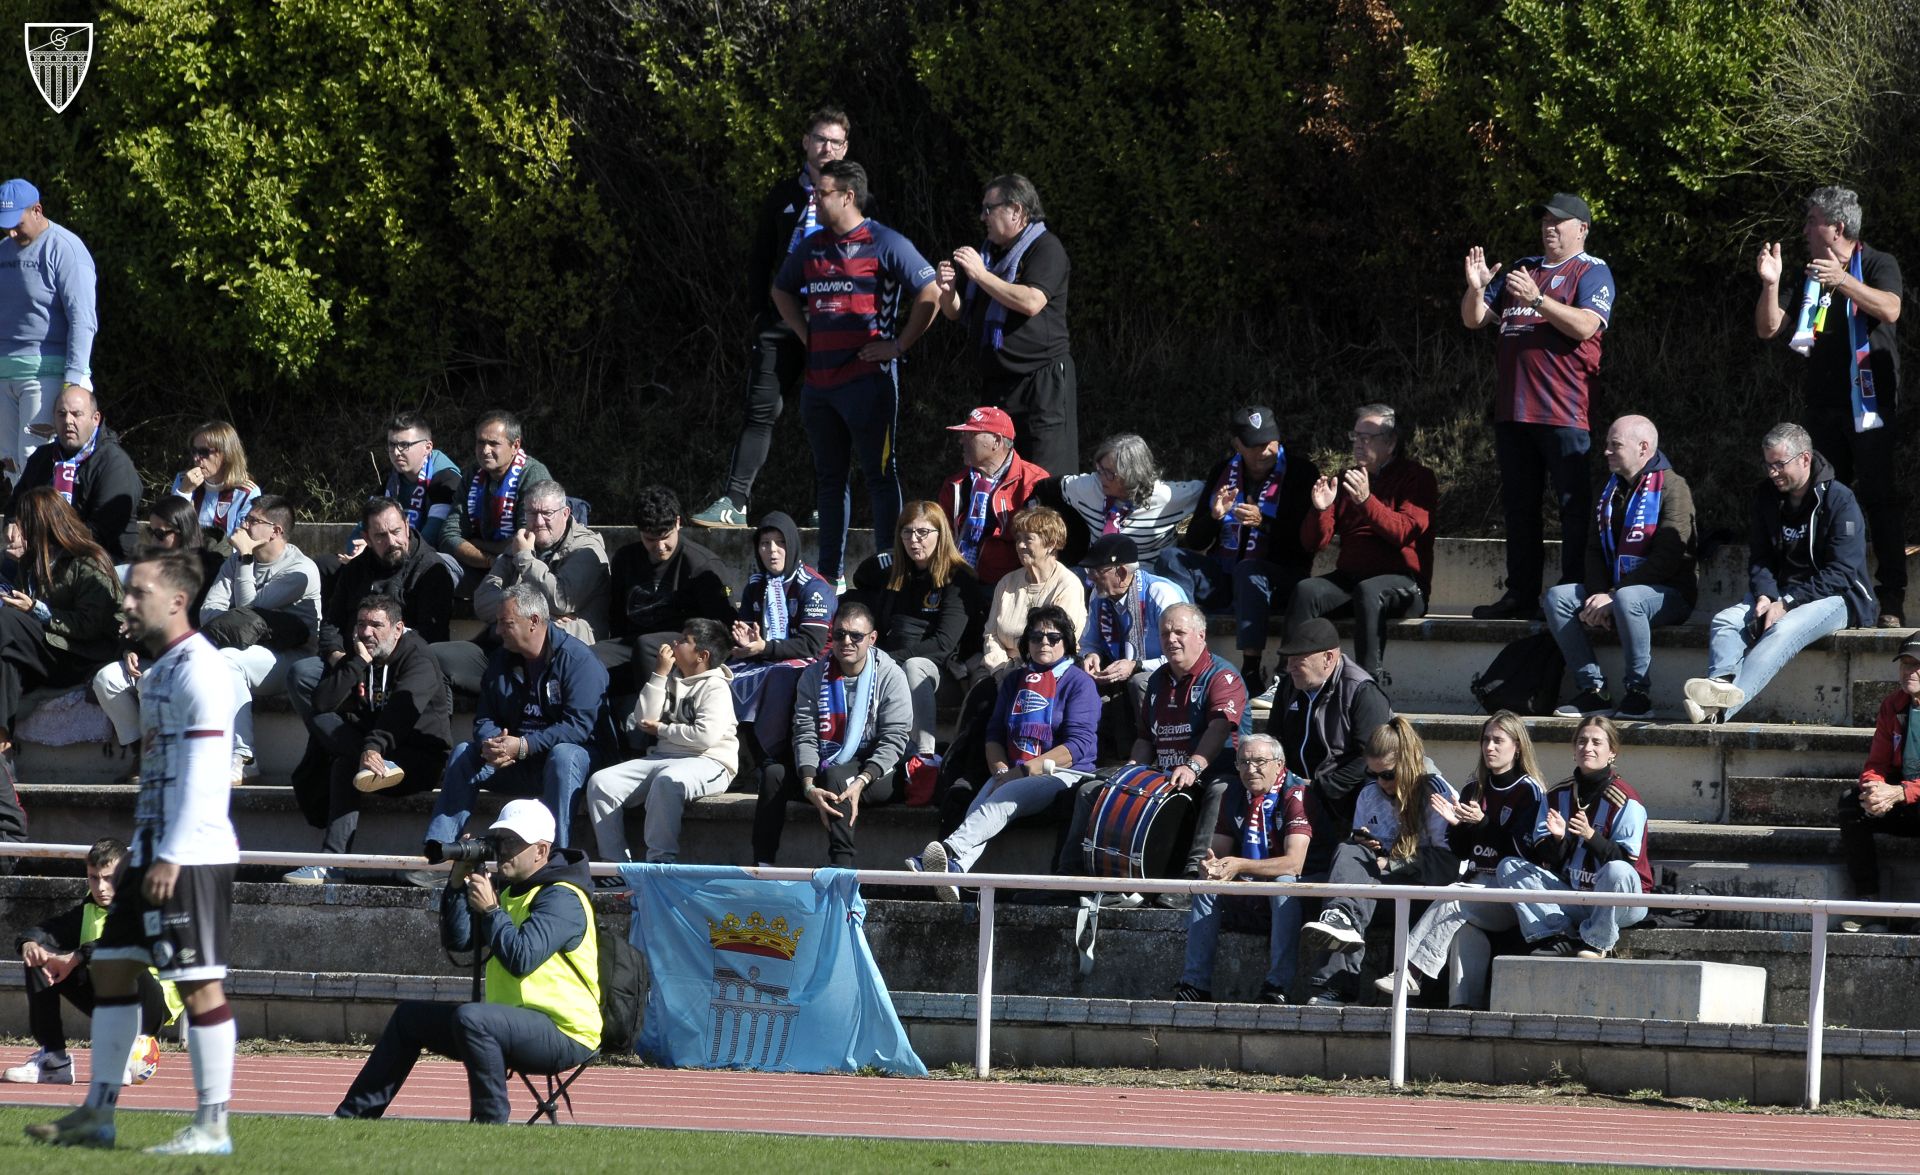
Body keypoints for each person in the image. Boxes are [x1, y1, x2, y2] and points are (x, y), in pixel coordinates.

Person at [27, 552, 242, 1155]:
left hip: (191, 854)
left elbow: (208, 770)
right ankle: (98, 1113)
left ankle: (213, 1127)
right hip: (150, 851)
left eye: (138, 592)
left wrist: (173, 852)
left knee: (199, 985)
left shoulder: (202, 669)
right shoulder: (160, 669)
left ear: (176, 601)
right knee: (114, 966)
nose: (126, 602)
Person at [336, 799, 600, 1125]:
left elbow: (521, 958)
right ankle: (353, 1117)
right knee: (409, 1018)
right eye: (499, 840)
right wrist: (457, 884)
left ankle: (489, 1124)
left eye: (513, 842)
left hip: (565, 1032)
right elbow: (460, 942)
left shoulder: (563, 897)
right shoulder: (510, 892)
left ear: (541, 851)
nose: (502, 850)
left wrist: (491, 911)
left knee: (473, 1018)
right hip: (510, 1025)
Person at [769, 158, 940, 582]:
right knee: (829, 480)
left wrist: (898, 345)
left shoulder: (884, 241)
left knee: (880, 475)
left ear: (848, 196)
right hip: (819, 386)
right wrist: (806, 335)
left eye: (822, 193)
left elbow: (930, 291)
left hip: (868, 383)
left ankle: (890, 569)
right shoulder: (812, 245)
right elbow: (780, 289)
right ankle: (830, 576)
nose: (814, 200)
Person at [693, 105, 852, 530]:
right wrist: (759, 314)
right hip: (781, 319)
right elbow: (760, 259)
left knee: (829, 415)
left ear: (846, 148)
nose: (827, 148)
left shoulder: (857, 197)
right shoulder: (783, 195)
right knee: (761, 408)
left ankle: (827, 506)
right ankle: (734, 502)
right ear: (806, 142)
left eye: (836, 142)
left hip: (831, 323)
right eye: (820, 139)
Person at [1756, 186, 1906, 626]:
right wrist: (1770, 284)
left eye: (1812, 221)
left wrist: (1843, 281)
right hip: (1822, 405)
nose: (1804, 229)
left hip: (1871, 405)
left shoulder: (1877, 263)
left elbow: (1891, 309)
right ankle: (1827, 589)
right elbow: (1769, 329)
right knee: (1819, 497)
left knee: (1879, 499)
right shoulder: (1808, 273)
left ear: (1837, 228)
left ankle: (1891, 598)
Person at [1462, 192, 1615, 620]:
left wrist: (1538, 301)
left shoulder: (1591, 270)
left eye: (1559, 221)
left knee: (1572, 506)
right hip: (1513, 411)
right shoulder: (1521, 268)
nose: (1550, 228)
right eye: (1545, 221)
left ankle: (1571, 592)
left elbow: (1586, 325)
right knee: (1519, 508)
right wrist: (1476, 289)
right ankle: (1520, 595)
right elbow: (1474, 319)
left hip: (1564, 410)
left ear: (1581, 229)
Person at [1054, 603, 1247, 904]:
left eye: (1180, 632)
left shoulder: (1222, 676)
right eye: (1165, 633)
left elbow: (1219, 728)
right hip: (1164, 777)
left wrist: (1193, 766)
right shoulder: (1157, 680)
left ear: (1201, 635)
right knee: (1090, 790)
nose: (1171, 639)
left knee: (1220, 790)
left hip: (1211, 774)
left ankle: (1191, 881)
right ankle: (1068, 878)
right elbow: (1146, 739)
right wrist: (1131, 769)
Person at [1682, 424, 1875, 723]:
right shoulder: (1766, 496)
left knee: (1782, 630)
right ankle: (1720, 685)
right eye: (1768, 465)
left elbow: (1842, 572)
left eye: (1779, 464)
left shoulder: (1840, 499)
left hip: (1837, 598)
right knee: (1725, 621)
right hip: (1780, 594)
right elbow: (1761, 558)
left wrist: (1787, 602)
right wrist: (1765, 595)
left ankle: (1717, 712)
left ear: (1805, 459)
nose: (1772, 472)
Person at [910, 605, 1097, 897]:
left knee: (1005, 793)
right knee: (983, 798)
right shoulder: (1014, 681)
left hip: (1065, 773)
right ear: (1026, 643)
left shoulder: (1079, 682)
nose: (1044, 642)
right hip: (1014, 770)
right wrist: (1000, 769)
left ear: (1067, 642)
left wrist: (1020, 772)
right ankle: (956, 870)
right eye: (1036, 637)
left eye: (1053, 637)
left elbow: (1078, 745)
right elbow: (994, 733)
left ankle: (947, 851)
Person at [420, 585, 611, 865]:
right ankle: (440, 852)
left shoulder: (578, 661)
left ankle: (554, 859)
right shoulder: (502, 659)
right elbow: (485, 716)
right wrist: (491, 744)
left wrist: (524, 745)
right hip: (516, 761)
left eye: (505, 623)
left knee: (564, 756)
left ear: (533, 621)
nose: (498, 631)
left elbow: (578, 727)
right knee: (464, 753)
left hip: (568, 764)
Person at [282, 595, 453, 884]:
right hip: (374, 751)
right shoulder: (364, 650)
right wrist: (357, 662)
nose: (366, 632)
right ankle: (333, 865)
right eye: (361, 624)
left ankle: (332, 864)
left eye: (376, 625)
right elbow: (322, 703)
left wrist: (373, 747)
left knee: (345, 764)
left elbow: (400, 715)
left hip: (418, 758)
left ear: (398, 629)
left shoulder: (418, 657)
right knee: (328, 728)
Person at [1389, 711, 1549, 1006]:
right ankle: (1463, 1009)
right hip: (1475, 887)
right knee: (1464, 932)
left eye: (1498, 740)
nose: (1489, 747)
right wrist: (1458, 825)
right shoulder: (1473, 789)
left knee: (1452, 899)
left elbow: (1523, 853)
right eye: (1486, 740)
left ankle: (1409, 970)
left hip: (1510, 894)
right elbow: (1462, 852)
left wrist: (1483, 823)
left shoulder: (1530, 791)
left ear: (1517, 747)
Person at [1156, 405, 1319, 694]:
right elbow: (1195, 541)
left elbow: (1305, 542)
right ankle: (1185, 645)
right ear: (1237, 445)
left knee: (1248, 570)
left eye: (1270, 442)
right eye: (1255, 445)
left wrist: (1263, 523)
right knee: (1171, 558)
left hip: (1277, 580)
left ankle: (1251, 670)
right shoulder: (1222, 472)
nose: (1265, 450)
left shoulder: (1301, 472)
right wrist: (1214, 517)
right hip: (1224, 576)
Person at [1299, 717, 1460, 1005]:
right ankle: (1338, 946)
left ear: (1408, 763)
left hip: (1423, 890)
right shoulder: (1369, 795)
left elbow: (1446, 864)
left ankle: (1374, 990)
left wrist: (1391, 863)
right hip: (1379, 885)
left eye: (1387, 774)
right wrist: (1367, 847)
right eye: (1372, 775)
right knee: (1348, 853)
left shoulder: (1437, 792)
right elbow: (1362, 856)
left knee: (1355, 890)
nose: (1381, 783)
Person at [1545, 414, 1698, 718]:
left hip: (1668, 595)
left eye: (1615, 445)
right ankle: (1593, 690)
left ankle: (1638, 692)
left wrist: (1614, 595)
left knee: (1629, 599)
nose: (1606, 451)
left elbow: (1667, 558)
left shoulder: (1673, 488)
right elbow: (1593, 549)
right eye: (1607, 444)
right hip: (1617, 591)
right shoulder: (1609, 489)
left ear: (1643, 448)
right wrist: (1598, 594)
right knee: (1557, 598)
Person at [6, 838, 182, 1086]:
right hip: (108, 998)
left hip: (151, 1005)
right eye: (93, 878)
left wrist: (76, 956)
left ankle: (122, 1056)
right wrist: (29, 943)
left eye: (109, 878)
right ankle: (54, 1061)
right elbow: (52, 928)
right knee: (40, 960)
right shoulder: (89, 906)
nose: (101, 887)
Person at [934, 173, 1077, 474]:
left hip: (1040, 386)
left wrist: (981, 275)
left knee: (1043, 476)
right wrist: (947, 292)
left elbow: (1031, 301)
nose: (982, 217)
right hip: (998, 384)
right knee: (997, 472)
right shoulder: (990, 255)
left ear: (1016, 210)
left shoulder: (1046, 248)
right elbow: (958, 314)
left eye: (989, 208)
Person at [752, 602, 910, 867]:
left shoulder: (890, 675)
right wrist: (808, 784)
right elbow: (804, 732)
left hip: (877, 771)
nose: (846, 642)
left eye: (856, 636)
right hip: (825, 764)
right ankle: (762, 865)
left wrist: (863, 779)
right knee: (773, 774)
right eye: (839, 634)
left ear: (872, 638)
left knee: (838, 778)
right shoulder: (814, 675)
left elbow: (895, 738)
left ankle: (841, 867)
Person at [1288, 403, 1436, 684]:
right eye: (1355, 436)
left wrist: (1367, 501)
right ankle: (1288, 678)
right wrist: (1319, 510)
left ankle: (1366, 684)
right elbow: (1313, 543)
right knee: (1307, 591)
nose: (1358, 443)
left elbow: (1403, 531)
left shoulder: (1418, 478)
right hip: (1352, 581)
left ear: (1391, 443)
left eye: (1367, 438)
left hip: (1404, 584)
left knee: (1369, 591)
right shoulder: (1347, 479)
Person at [1492, 716, 1652, 959]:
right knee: (1509, 867)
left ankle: (1598, 942)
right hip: (1574, 894)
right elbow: (1547, 859)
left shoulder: (1626, 800)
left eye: (1596, 742)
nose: (1587, 748)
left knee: (1617, 871)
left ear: (1612, 752)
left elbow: (1626, 862)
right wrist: (1558, 840)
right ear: (1573, 750)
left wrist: (1590, 835)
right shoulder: (1557, 795)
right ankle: (1556, 935)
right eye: (1582, 741)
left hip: (1623, 905)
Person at [286, 495, 455, 725]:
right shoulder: (356, 569)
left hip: (401, 665)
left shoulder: (431, 569)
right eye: (381, 536)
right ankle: (342, 740)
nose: (392, 541)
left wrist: (377, 664)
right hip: (353, 662)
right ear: (367, 538)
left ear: (407, 526)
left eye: (396, 531)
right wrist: (338, 658)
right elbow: (332, 622)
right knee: (302, 674)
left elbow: (432, 635)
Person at [585, 619, 738, 867]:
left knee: (667, 781)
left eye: (685, 640)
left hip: (709, 761)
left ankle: (660, 862)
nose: (675, 643)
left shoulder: (716, 687)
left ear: (702, 655)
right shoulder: (670, 677)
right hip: (664, 756)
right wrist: (659, 675)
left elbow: (704, 737)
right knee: (602, 783)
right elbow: (644, 718)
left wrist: (663, 729)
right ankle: (615, 866)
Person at [1171, 734, 1312, 1004]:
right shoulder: (1234, 793)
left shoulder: (1296, 794)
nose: (1250, 769)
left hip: (1303, 887)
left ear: (1279, 764)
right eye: (1243, 762)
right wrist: (1210, 865)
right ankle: (1195, 984)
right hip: (1253, 884)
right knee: (1207, 887)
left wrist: (1240, 864)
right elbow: (1218, 851)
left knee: (1283, 882)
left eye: (1259, 761)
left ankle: (1277, 986)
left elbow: (1294, 863)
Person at [435, 479, 609, 695]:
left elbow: (561, 600)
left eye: (547, 513)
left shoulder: (586, 550)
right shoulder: (520, 543)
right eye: (531, 513)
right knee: (434, 657)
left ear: (565, 513)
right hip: (507, 644)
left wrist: (525, 558)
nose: (538, 522)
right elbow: (482, 601)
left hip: (562, 654)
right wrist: (534, 616)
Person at [88, 500, 223, 773]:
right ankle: (140, 751)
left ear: (182, 532)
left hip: (187, 659)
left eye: (162, 533)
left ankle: (162, 754)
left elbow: (196, 621)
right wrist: (129, 649)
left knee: (151, 681)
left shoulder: (207, 567)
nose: (155, 540)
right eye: (151, 532)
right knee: (106, 680)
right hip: (151, 655)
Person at [198, 495, 321, 778]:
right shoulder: (235, 561)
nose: (243, 525)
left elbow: (248, 611)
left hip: (292, 659)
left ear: (275, 531)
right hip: (247, 650)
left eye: (252, 521)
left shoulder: (300, 570)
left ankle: (244, 756)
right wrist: (241, 560)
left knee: (227, 660)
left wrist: (245, 557)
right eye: (245, 518)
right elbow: (208, 611)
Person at [846, 501, 977, 757]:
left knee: (913, 666)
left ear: (940, 534)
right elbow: (862, 577)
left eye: (923, 532)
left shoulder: (958, 578)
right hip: (892, 663)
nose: (914, 540)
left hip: (942, 672)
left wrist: (886, 660)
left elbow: (943, 645)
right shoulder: (898, 574)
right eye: (907, 532)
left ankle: (923, 756)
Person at [0, 487, 122, 755]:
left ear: (44, 523)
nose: (20, 530)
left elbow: (90, 625)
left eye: (25, 523)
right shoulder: (30, 561)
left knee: (5, 620)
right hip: (43, 651)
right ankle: (3, 747)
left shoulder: (88, 561)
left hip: (78, 655)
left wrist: (36, 610)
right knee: (5, 657)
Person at [1265, 617, 1394, 867]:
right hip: (1295, 788)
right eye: (1288, 659)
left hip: (1342, 794)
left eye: (1298, 659)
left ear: (1328, 658)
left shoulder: (1361, 691)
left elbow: (1371, 759)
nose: (1289, 667)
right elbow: (1274, 742)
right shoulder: (1289, 687)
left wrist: (1320, 788)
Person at [596, 485, 735, 692]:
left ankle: (656, 708)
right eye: (651, 539)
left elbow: (723, 629)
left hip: (683, 647)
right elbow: (616, 616)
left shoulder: (702, 565)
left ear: (678, 523)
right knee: (587, 656)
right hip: (632, 645)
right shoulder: (625, 559)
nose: (660, 547)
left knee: (646, 646)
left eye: (666, 537)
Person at [0, 178, 95, 477]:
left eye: (17, 224)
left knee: (36, 460)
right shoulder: (3, 250)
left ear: (37, 210)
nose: (11, 232)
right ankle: (19, 510)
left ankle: (46, 511)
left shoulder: (65, 249)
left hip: (46, 375)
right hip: (4, 375)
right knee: (10, 464)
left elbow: (83, 319)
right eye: (5, 226)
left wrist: (73, 381)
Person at [727, 511, 837, 761]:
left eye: (780, 543)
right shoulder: (756, 585)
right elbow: (748, 629)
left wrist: (764, 647)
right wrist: (744, 641)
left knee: (780, 675)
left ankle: (772, 754)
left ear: (793, 545)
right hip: (765, 655)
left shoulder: (813, 587)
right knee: (723, 673)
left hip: (814, 661)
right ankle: (726, 750)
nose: (772, 551)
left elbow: (812, 645)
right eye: (765, 544)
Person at [1836, 634, 1920, 931]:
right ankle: (1868, 903)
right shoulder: (1893, 705)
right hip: (1903, 798)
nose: (1909, 671)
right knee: (1851, 803)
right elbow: (1876, 762)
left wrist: (1900, 792)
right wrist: (1874, 789)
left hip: (1909, 794)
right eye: (1905, 664)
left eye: (1917, 665)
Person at [1079, 533, 1190, 757]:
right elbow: (1089, 642)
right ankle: (1099, 757)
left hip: (1170, 673)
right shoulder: (1098, 596)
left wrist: (1136, 665)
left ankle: (1155, 756)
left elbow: (1185, 657)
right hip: (1121, 669)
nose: (1090, 578)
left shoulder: (1161, 594)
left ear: (1121, 572)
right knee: (1081, 677)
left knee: (1139, 682)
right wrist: (1091, 656)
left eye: (1096, 571)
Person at [7, 385, 142, 563]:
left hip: (101, 560)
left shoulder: (114, 463)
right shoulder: (42, 457)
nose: (68, 421)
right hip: (44, 556)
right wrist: (14, 525)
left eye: (76, 414)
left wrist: (43, 548)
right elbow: (16, 505)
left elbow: (101, 532)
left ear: (95, 419)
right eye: (61, 414)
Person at [1038, 433, 1205, 565]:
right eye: (1100, 469)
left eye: (1109, 473)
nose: (1101, 477)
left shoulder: (1168, 497)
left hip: (1149, 578)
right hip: (1096, 574)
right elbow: (1043, 487)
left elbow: (1209, 489)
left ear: (1132, 476)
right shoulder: (1088, 486)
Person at [938, 406, 1049, 589]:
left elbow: (1042, 543)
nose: (961, 440)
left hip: (1013, 585)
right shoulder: (955, 484)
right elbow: (942, 533)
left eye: (970, 435)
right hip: (957, 579)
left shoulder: (1034, 481)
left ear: (996, 441)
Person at [975, 505, 1088, 686]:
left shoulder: (1068, 585)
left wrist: (1017, 673)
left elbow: (1058, 641)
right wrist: (1000, 669)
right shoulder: (1007, 582)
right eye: (1018, 539)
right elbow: (991, 634)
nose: (1020, 545)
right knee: (979, 693)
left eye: (1028, 539)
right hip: (998, 668)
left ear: (1051, 543)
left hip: (1045, 672)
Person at [345, 411, 465, 572]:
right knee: (326, 566)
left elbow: (431, 534)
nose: (396, 452)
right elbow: (363, 526)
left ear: (427, 447)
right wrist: (357, 551)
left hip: (435, 561)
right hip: (392, 553)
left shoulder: (446, 479)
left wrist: (373, 551)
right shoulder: (392, 480)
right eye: (392, 445)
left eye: (404, 445)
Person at [445, 410, 553, 585]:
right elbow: (449, 535)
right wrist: (490, 561)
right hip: (480, 564)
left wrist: (478, 543)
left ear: (515, 446)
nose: (485, 450)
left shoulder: (533, 475)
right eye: (481, 442)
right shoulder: (472, 474)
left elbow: (526, 541)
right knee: (437, 565)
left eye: (493, 443)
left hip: (522, 571)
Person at [166, 421, 259, 546]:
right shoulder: (184, 481)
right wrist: (184, 493)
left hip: (226, 557)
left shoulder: (246, 492)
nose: (196, 458)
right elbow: (169, 528)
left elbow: (243, 542)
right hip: (188, 556)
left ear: (226, 454)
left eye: (204, 452)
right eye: (194, 451)